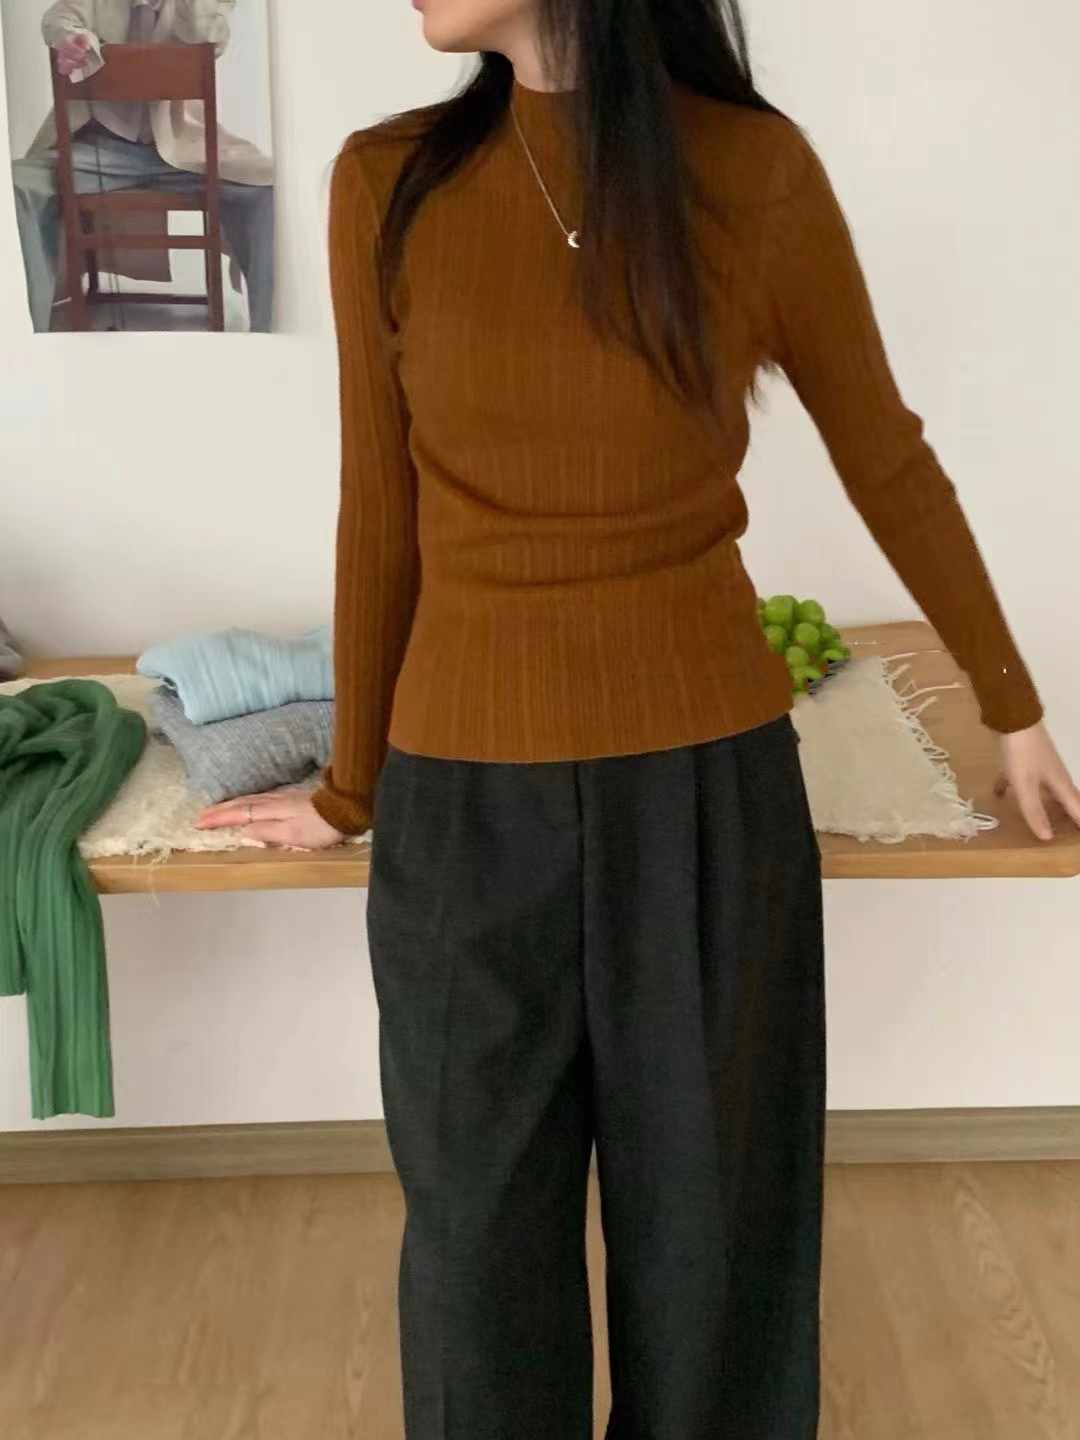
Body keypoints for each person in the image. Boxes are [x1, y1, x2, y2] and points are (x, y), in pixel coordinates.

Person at [196, 1, 1080, 1435]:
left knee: (713, 1236)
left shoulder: (754, 173)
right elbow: (380, 510)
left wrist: (1012, 703)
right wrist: (350, 788)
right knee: (478, 1252)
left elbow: (884, 450)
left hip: (705, 790)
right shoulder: (387, 181)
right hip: (463, 804)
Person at [12, 0, 274, 332]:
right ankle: (25, 333)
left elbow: (208, 35)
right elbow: (58, 17)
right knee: (17, 185)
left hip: (183, 149)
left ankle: (270, 329)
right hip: (98, 150)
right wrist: (71, 39)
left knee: (266, 188)